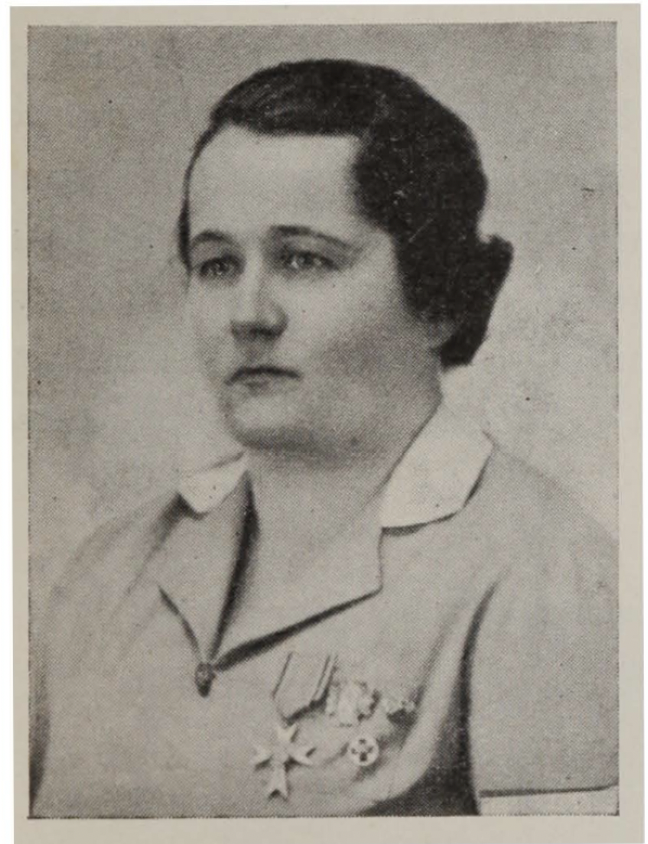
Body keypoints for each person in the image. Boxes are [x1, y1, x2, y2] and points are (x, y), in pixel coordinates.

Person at [30, 59, 617, 817]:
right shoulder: (106, 573)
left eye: (304, 260)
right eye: (216, 264)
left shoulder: (547, 580)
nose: (249, 314)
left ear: (439, 296)